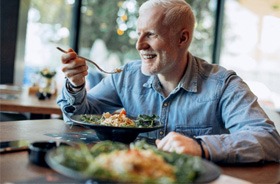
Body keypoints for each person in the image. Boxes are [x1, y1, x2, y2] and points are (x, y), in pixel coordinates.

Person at [57, 0, 280, 163]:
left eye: (151, 34)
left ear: (183, 38)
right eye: (138, 34)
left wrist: (201, 147)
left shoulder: (223, 85)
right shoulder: (126, 76)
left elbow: (269, 140)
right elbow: (76, 116)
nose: (139, 45)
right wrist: (76, 85)